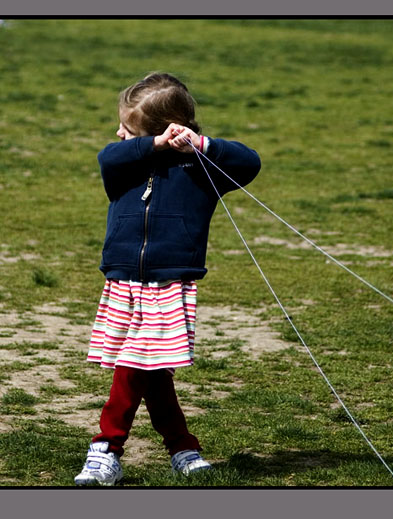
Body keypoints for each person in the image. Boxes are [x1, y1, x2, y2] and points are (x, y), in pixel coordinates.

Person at [74, 73, 261, 486]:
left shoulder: (198, 168)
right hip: (124, 278)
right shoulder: (124, 163)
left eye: (129, 128)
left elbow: (249, 163)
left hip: (168, 282)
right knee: (148, 369)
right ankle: (182, 448)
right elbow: (108, 157)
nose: (118, 134)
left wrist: (200, 145)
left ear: (167, 129)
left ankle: (105, 448)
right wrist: (151, 144)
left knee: (136, 366)